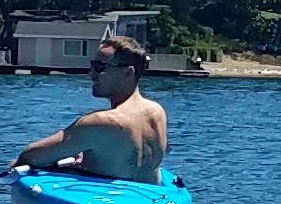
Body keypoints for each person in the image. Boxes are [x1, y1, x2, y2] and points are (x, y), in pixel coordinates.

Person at [16, 35, 169, 182]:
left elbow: (31, 156)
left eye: (99, 67)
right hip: (150, 200)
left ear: (128, 72)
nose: (91, 74)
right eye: (92, 66)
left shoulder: (102, 121)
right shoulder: (157, 112)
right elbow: (132, 158)